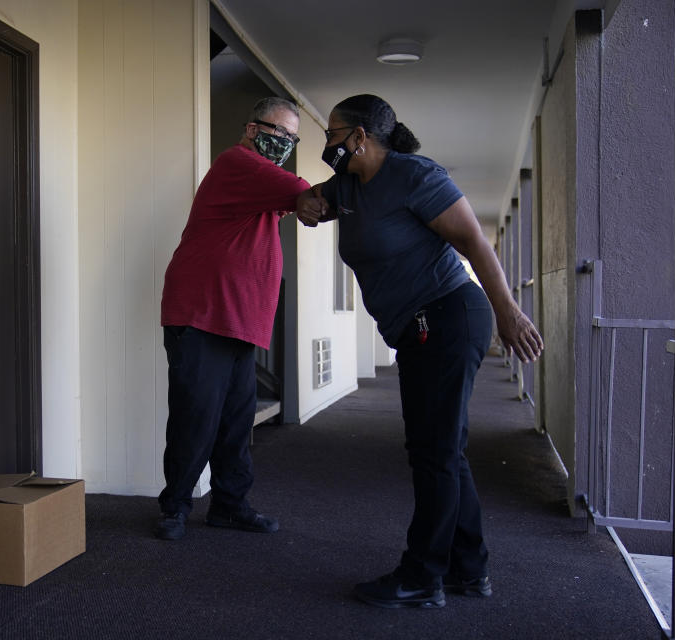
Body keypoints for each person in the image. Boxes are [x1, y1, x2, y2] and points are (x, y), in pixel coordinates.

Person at [295, 94, 543, 608]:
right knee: (441, 449)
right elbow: (311, 200)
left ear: (360, 137)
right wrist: (306, 202)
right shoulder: (348, 185)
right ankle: (468, 570)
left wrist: (509, 313)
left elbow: (475, 242)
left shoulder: (414, 175)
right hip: (417, 327)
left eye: (333, 134)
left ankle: (422, 576)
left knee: (434, 454)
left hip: (449, 315)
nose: (327, 144)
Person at [155, 97, 310, 541]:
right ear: (250, 128)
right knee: (195, 416)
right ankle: (176, 508)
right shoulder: (237, 162)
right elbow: (303, 194)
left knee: (237, 421)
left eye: (290, 137)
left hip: (239, 319)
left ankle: (228, 505)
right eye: (275, 130)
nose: (282, 141)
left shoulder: (261, 186)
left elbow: (292, 204)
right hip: (203, 312)